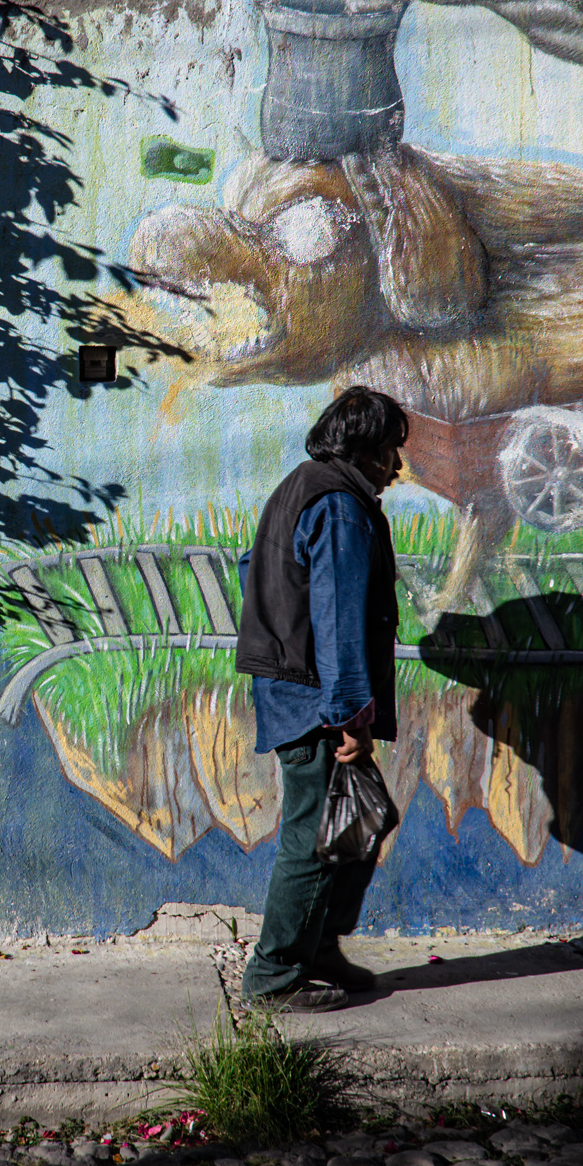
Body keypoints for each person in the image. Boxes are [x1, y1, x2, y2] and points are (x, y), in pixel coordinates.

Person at [234, 385, 406, 1012]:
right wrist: (349, 717)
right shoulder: (337, 505)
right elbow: (337, 620)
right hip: (315, 696)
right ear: (364, 450)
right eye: (392, 451)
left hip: (300, 688)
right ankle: (274, 976)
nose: (398, 466)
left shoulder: (307, 486)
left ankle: (320, 945)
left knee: (361, 818)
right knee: (313, 834)